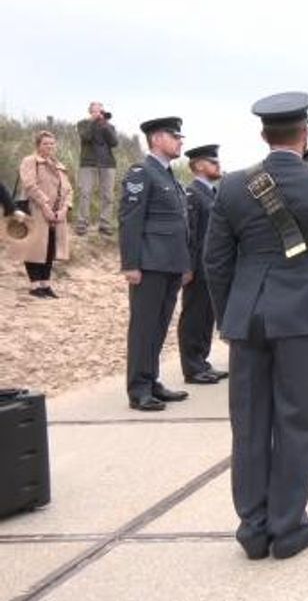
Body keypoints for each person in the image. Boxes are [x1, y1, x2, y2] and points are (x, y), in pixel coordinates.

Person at [204, 90, 308, 561]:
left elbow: (215, 261)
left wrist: (229, 314)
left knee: (250, 423)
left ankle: (253, 529)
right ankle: (288, 526)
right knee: (298, 420)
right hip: (302, 316)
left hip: (249, 317)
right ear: (306, 134)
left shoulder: (234, 186)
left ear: (263, 134)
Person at [119, 117, 192, 411]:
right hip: (148, 264)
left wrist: (184, 264)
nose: (180, 141)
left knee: (159, 326)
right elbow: (130, 219)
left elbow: (179, 226)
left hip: (170, 263)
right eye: (175, 137)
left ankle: (151, 381)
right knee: (144, 327)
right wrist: (130, 263)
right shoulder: (142, 172)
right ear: (157, 139)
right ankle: (138, 389)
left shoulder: (169, 176)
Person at [177, 144, 229, 385]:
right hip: (197, 266)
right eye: (213, 162)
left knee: (207, 316)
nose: (218, 166)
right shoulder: (193, 193)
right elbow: (189, 232)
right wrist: (186, 266)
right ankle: (192, 367)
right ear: (198, 165)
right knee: (194, 316)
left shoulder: (213, 193)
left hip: (212, 266)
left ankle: (202, 361)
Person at [12, 131, 72, 298]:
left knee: (50, 248)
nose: (50, 147)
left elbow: (68, 190)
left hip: (56, 213)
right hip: (35, 209)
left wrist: (64, 209)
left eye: (52, 143)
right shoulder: (30, 161)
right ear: (38, 145)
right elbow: (30, 185)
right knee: (34, 247)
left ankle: (45, 284)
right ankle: (34, 285)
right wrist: (45, 206)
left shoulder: (59, 165)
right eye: (46, 143)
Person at [75, 101, 119, 236]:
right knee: (85, 193)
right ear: (90, 112)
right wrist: (93, 122)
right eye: (95, 111)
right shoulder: (82, 124)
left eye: (101, 111)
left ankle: (105, 224)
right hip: (88, 163)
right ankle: (82, 224)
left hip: (107, 163)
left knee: (108, 196)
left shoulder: (108, 126)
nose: (99, 113)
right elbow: (86, 137)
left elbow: (114, 142)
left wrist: (104, 124)